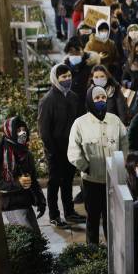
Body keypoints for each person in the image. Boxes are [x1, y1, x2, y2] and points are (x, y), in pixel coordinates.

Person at [68, 86, 128, 244]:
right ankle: (92, 251)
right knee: (93, 218)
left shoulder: (115, 120)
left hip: (112, 180)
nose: (101, 101)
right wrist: (86, 167)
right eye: (97, 98)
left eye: (103, 97)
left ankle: (113, 251)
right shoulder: (80, 124)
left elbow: (124, 143)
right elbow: (73, 152)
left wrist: (121, 164)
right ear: (90, 100)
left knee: (111, 218)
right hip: (91, 181)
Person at [37, 63, 86, 228]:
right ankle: (54, 215)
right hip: (55, 151)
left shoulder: (73, 97)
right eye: (63, 77)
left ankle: (69, 212)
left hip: (70, 149)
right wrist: (52, 151)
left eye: (69, 76)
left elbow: (78, 122)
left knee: (68, 182)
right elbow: (44, 130)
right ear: (55, 78)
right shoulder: (48, 100)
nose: (67, 80)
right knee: (54, 183)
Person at [0, 117, 46, 233]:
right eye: (18, 130)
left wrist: (40, 200)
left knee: (36, 237)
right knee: (27, 238)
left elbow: (32, 179)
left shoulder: (25, 153)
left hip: (25, 201)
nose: (22, 133)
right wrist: (18, 183)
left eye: (24, 129)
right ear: (9, 132)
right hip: (11, 204)